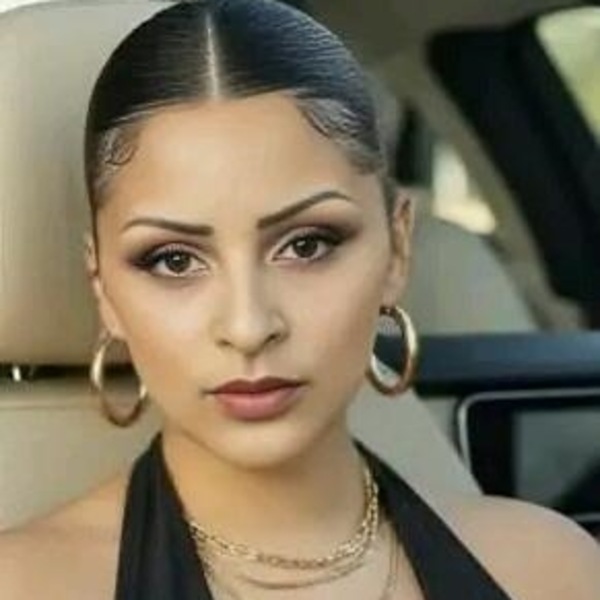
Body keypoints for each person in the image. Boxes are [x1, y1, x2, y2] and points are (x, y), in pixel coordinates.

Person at [1, 1, 599, 598]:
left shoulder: (548, 569)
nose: (248, 325)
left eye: (307, 245)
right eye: (174, 260)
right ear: (103, 288)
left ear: (396, 250)